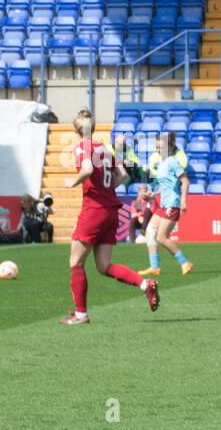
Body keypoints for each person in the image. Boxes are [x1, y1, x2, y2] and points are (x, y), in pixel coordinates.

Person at [60, 108, 159, 325]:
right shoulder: (104, 150)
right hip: (111, 210)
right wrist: (107, 190)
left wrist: (72, 182)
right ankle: (145, 285)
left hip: (94, 210)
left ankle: (81, 315)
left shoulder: (82, 147)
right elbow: (123, 174)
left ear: (77, 130)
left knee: (76, 262)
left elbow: (86, 169)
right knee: (104, 266)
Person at [140, 132, 193, 277]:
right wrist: (153, 193)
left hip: (172, 204)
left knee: (161, 237)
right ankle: (155, 267)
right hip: (164, 204)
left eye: (161, 146)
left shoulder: (172, 161)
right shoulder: (161, 164)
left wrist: (183, 201)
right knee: (150, 231)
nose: (158, 149)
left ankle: (185, 262)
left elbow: (185, 181)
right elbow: (166, 185)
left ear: (169, 147)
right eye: (157, 146)